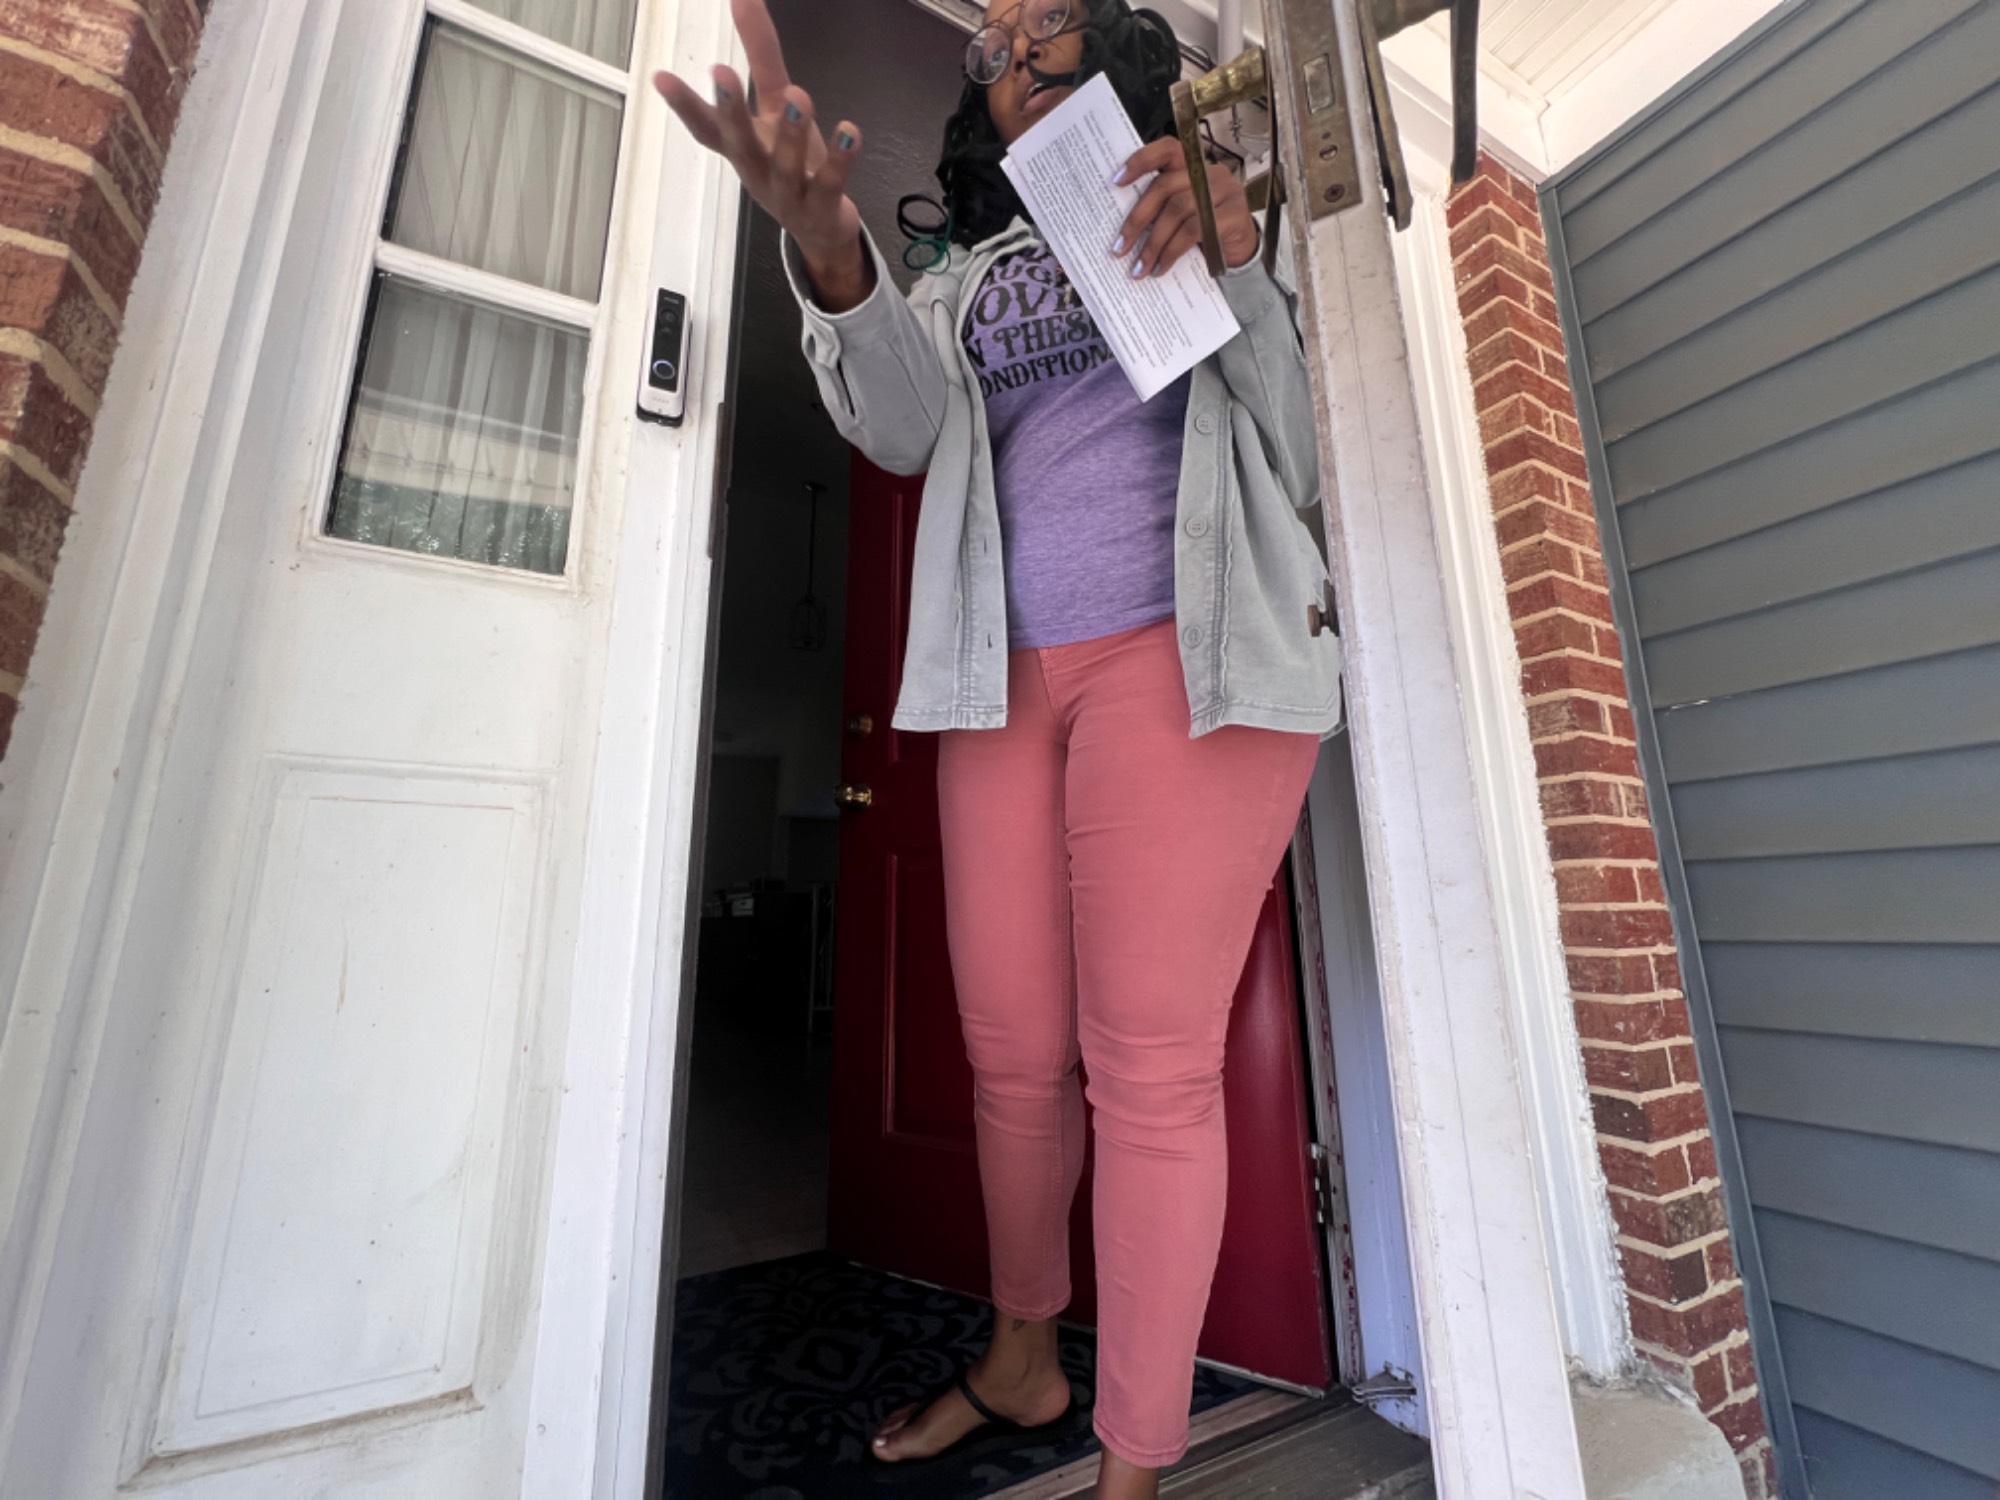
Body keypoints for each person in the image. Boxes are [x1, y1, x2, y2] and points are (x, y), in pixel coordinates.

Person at [657, 3, 1341, 1495]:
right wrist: (833, 249)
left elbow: (1303, 452)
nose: (1014, 57)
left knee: (1148, 1073)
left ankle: (1134, 1469)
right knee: (1012, 1059)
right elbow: (902, 433)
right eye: (996, 47)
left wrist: (1237, 258)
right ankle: (1024, 1360)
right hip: (999, 683)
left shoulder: (1207, 204)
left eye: (1048, 32)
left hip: (1189, 660)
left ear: (1119, 57)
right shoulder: (966, 270)